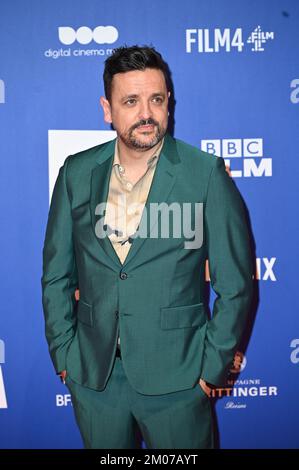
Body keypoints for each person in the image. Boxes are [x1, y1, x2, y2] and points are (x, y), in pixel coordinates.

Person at [41, 45, 253, 449]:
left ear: (168, 101)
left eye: (156, 99)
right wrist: (65, 356)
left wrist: (211, 370)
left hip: (180, 378)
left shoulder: (204, 174)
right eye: (131, 101)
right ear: (107, 109)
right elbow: (56, 274)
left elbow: (236, 284)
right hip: (94, 379)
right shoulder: (76, 172)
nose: (146, 113)